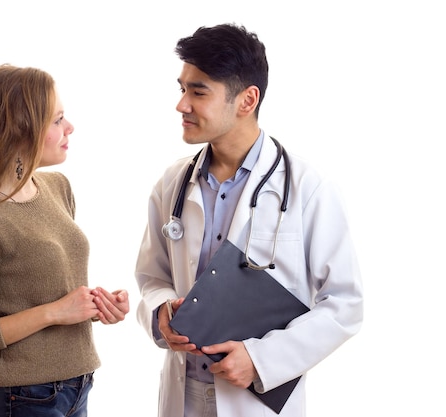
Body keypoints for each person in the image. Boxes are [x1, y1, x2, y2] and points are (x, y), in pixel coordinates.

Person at [134, 23, 363, 417]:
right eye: (182, 88)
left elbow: (345, 303)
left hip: (253, 400)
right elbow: (151, 279)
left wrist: (261, 359)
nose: (182, 104)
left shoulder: (308, 188)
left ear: (247, 99)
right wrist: (160, 314)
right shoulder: (173, 184)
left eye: (198, 91)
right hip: (182, 396)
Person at [0, 64, 129, 417]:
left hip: (78, 387)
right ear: (20, 129)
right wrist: (53, 313)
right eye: (57, 120)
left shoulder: (57, 188)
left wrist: (96, 306)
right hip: (21, 400)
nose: (69, 128)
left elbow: (43, 285)